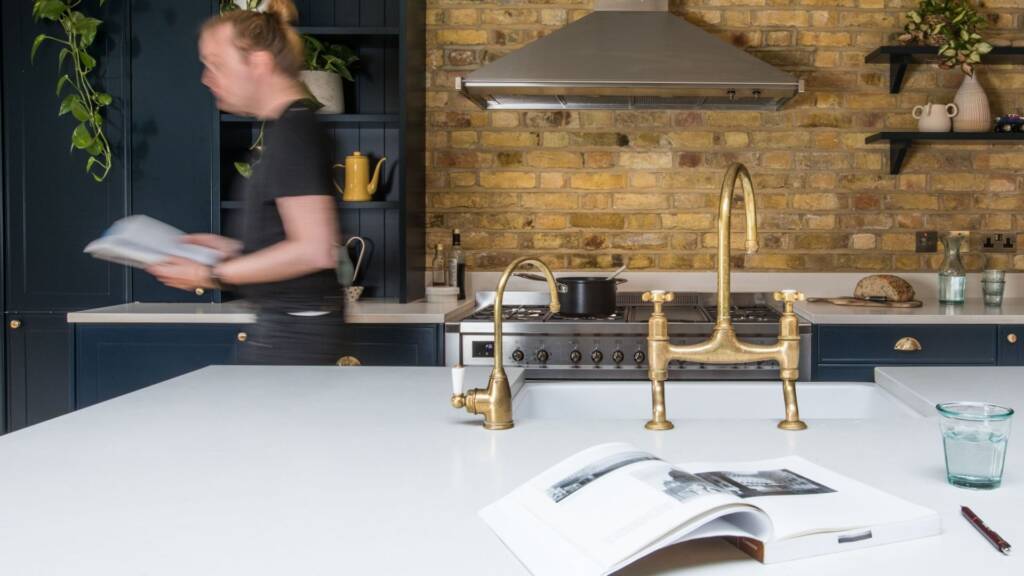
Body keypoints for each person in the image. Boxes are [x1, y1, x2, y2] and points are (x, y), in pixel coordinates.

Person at [147, 0, 346, 365]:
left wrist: (210, 273)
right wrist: (230, 248)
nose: (206, 78)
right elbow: (294, 239)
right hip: (292, 329)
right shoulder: (289, 127)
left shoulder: (293, 133)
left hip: (294, 334)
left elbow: (314, 249)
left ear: (258, 62)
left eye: (216, 65)